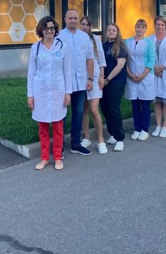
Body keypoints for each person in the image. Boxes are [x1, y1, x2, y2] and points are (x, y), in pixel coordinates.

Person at [27, 16, 71, 170]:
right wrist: (30, 95)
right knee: (43, 128)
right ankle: (44, 158)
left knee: (58, 127)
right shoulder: (36, 48)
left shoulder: (62, 46)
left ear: (55, 30)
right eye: (46, 28)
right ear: (41, 30)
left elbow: (67, 71)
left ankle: (58, 157)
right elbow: (31, 73)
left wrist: (68, 93)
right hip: (40, 92)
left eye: (52, 28)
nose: (49, 31)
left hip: (58, 91)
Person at [58, 9, 94, 156]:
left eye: (75, 18)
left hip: (81, 83)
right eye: (70, 18)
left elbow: (90, 58)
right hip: (64, 84)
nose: (73, 20)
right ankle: (59, 147)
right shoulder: (59, 36)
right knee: (62, 115)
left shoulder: (84, 37)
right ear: (65, 19)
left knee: (78, 113)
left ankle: (75, 144)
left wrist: (90, 78)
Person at [80, 16, 108, 154]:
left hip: (95, 77)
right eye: (83, 24)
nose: (85, 27)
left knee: (93, 109)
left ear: (91, 26)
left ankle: (101, 140)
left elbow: (101, 59)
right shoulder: (77, 39)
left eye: (87, 24)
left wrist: (102, 76)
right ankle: (86, 137)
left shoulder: (95, 39)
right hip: (81, 78)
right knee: (83, 110)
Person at [125, 19, 155, 141]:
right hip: (131, 77)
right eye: (138, 27)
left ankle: (144, 130)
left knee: (145, 105)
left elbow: (151, 60)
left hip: (145, 77)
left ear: (146, 29)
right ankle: (137, 128)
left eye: (143, 27)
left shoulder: (149, 43)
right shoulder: (127, 42)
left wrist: (142, 76)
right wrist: (130, 74)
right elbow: (124, 60)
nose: (140, 29)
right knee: (135, 105)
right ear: (135, 27)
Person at [101, 23, 128, 152]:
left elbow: (120, 65)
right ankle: (112, 133)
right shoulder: (104, 45)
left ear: (117, 33)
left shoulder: (121, 46)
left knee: (113, 108)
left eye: (114, 30)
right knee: (104, 108)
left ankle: (120, 138)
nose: (111, 32)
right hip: (104, 82)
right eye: (109, 30)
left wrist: (108, 79)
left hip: (116, 81)